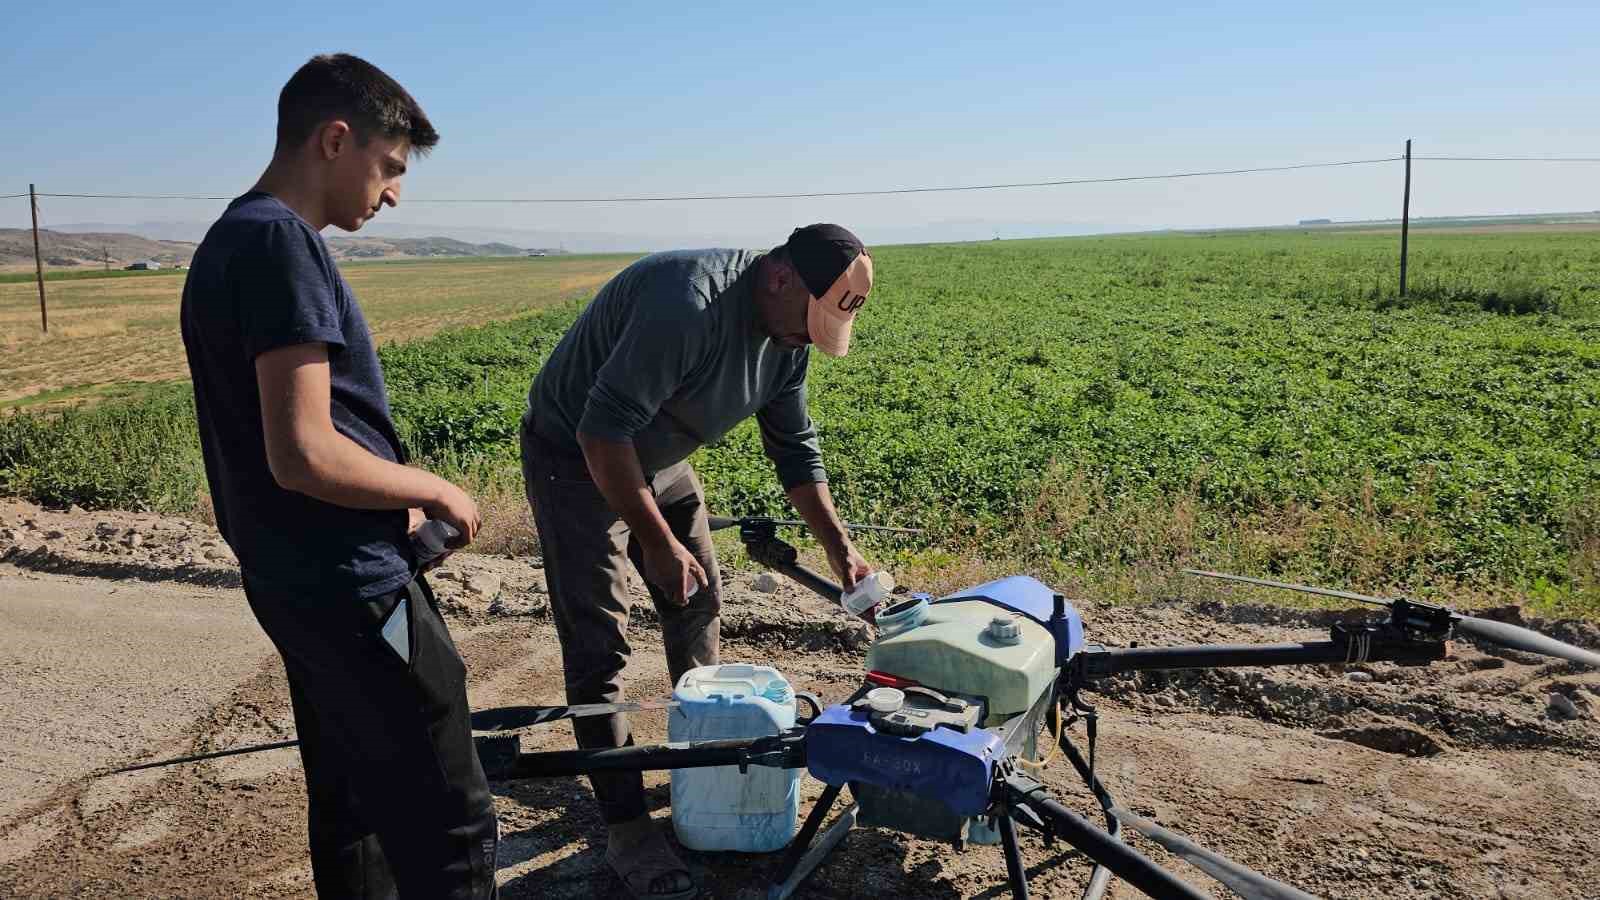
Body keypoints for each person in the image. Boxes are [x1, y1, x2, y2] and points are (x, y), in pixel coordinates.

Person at [179, 54, 498, 898]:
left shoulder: (231, 239)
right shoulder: (281, 245)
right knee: (449, 818)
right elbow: (305, 452)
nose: (393, 193)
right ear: (334, 139)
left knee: (355, 811)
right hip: (354, 587)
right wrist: (431, 488)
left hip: (298, 582)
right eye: (389, 168)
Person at [520, 224, 876, 899]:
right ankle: (626, 828)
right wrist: (654, 540)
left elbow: (795, 450)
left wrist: (842, 550)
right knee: (601, 651)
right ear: (779, 277)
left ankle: (701, 764)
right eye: (808, 320)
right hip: (576, 457)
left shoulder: (788, 336)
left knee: (700, 600)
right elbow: (601, 432)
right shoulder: (687, 304)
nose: (806, 337)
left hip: (660, 452)